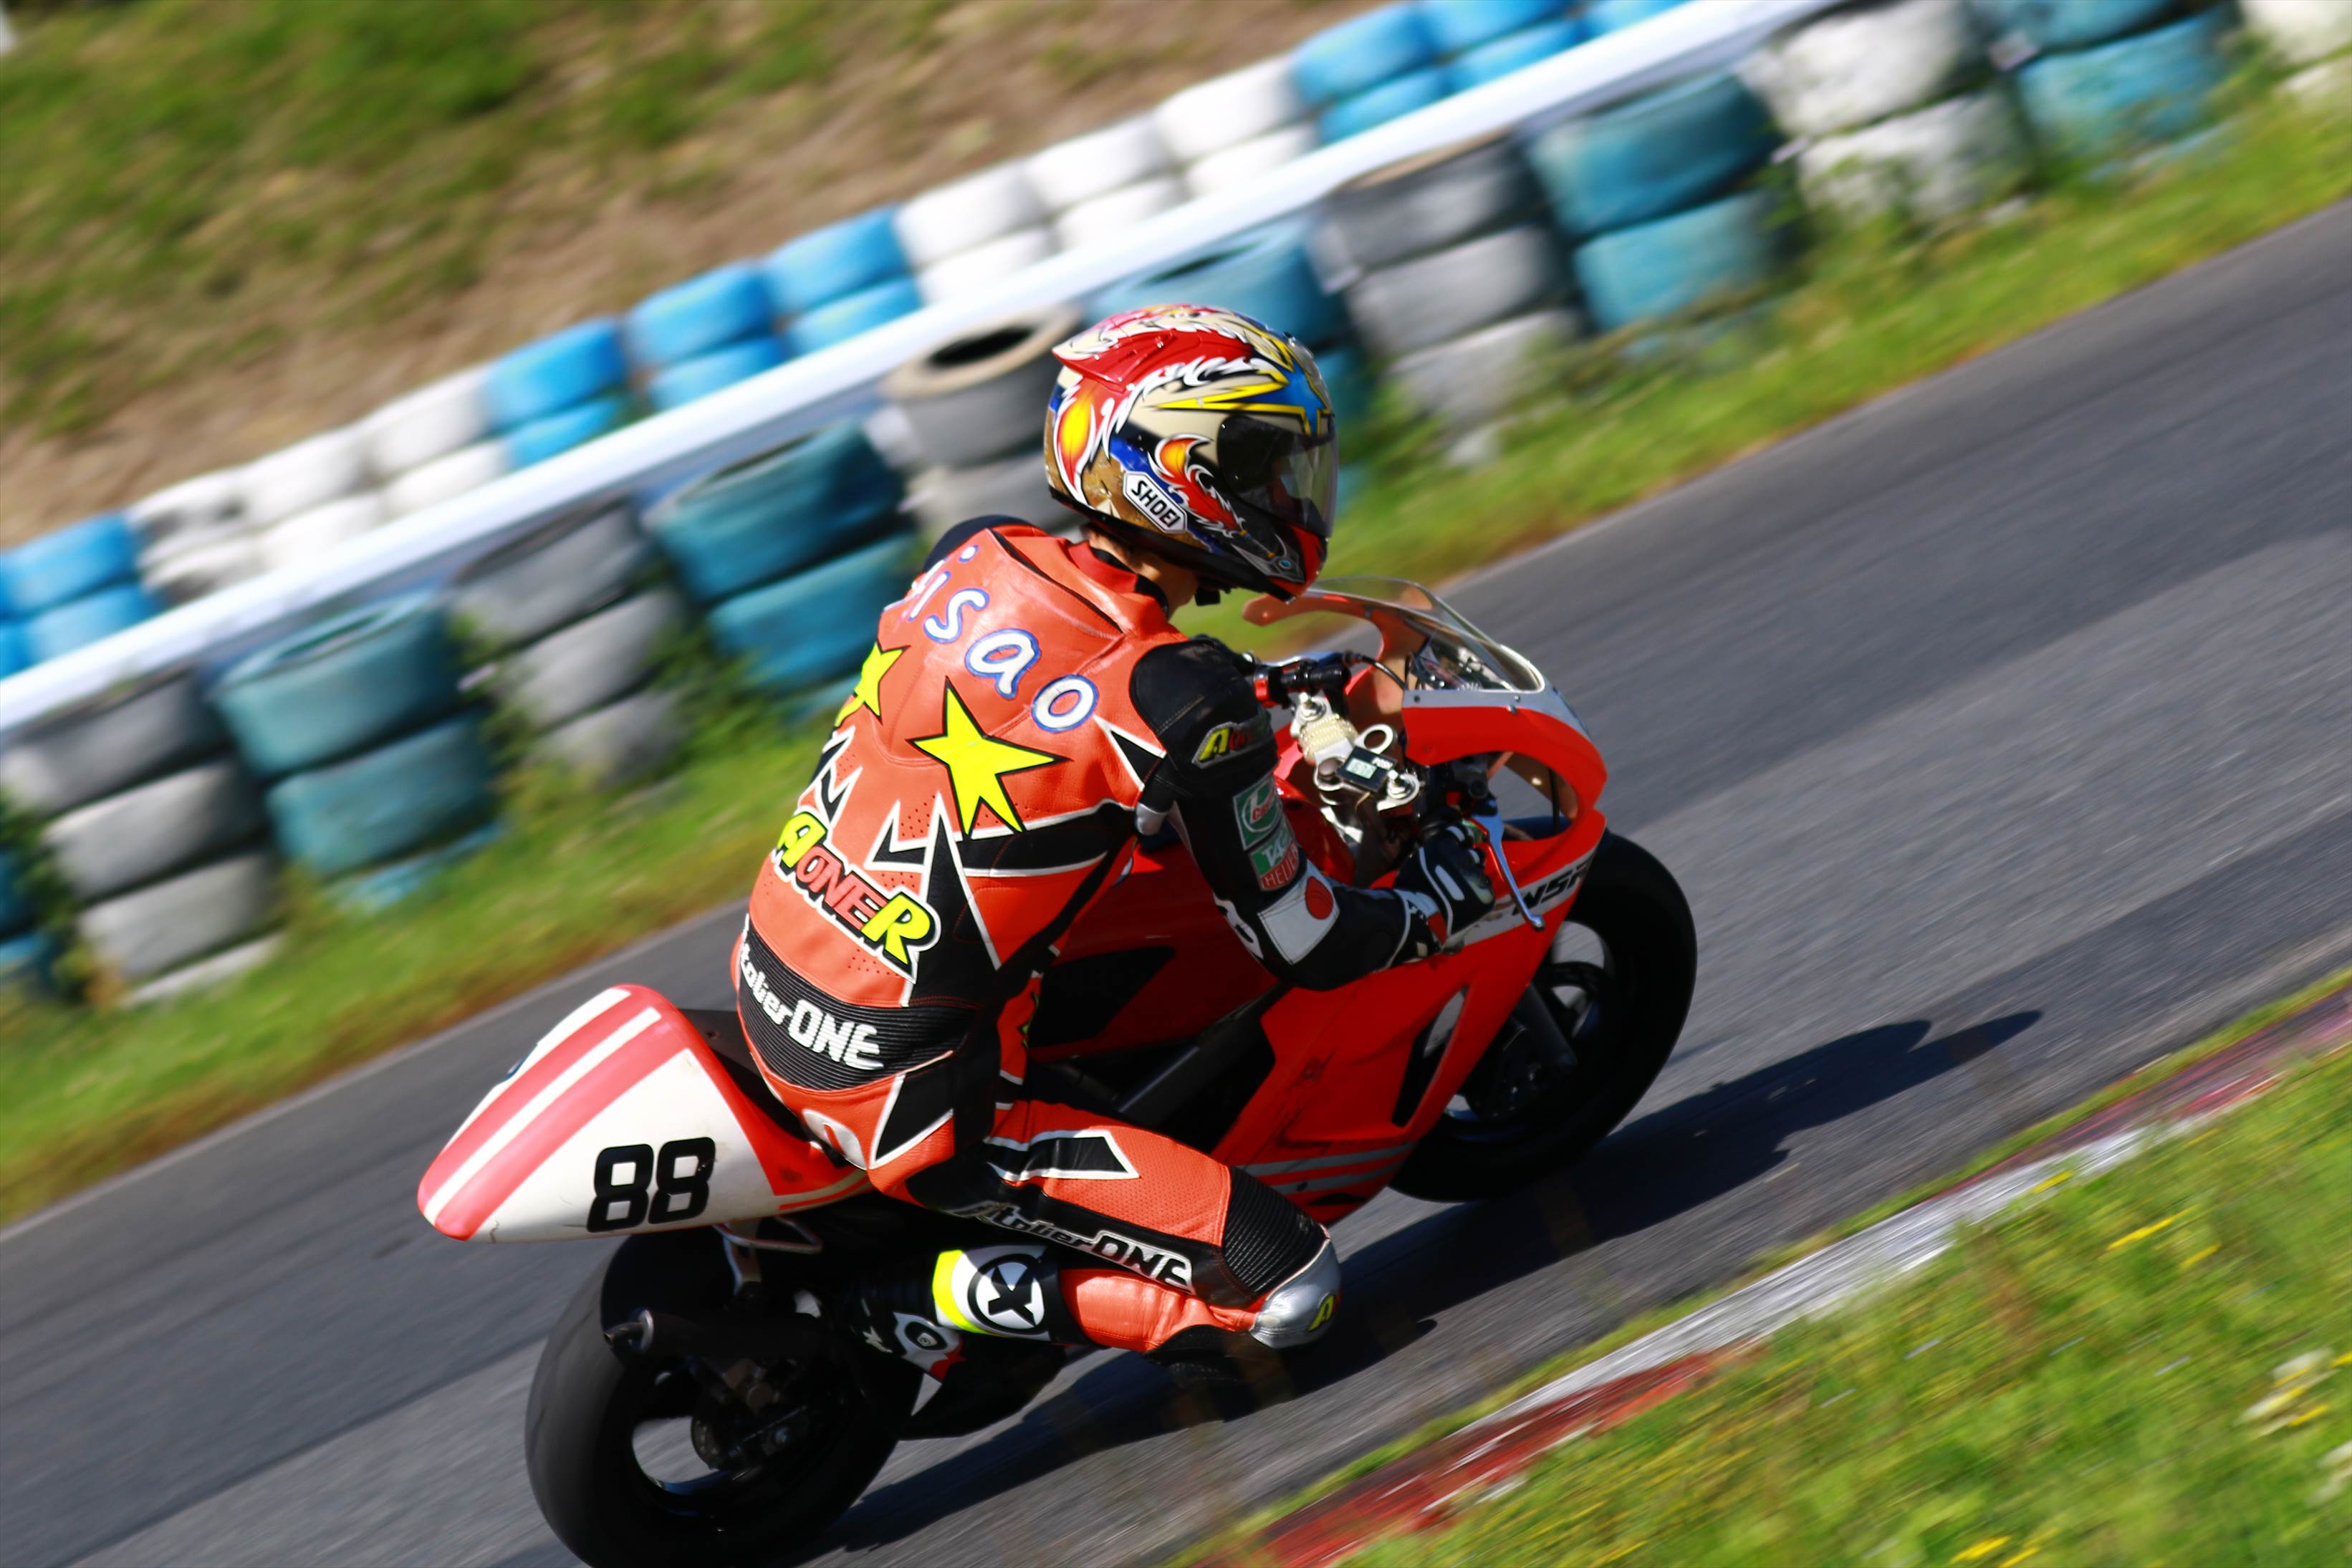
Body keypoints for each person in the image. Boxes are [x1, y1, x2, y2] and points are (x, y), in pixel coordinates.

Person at [732, 302, 1497, 1373]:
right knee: (1293, 1293)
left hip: (772, 974)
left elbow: (1055, 690)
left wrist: (1264, 692)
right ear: (1175, 474)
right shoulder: (1187, 700)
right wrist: (1437, 905)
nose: (1289, 495)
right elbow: (1301, 940)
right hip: (921, 1103)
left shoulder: (975, 552)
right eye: (1261, 466)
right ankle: (910, 1297)